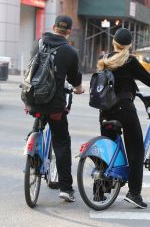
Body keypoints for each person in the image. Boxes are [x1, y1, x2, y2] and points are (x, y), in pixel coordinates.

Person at [30, 15, 84, 202]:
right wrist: (79, 89)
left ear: (53, 27)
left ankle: (32, 151)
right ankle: (66, 188)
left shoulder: (38, 43)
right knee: (61, 142)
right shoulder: (70, 51)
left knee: (37, 123)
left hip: (33, 100)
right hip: (54, 105)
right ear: (69, 31)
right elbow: (75, 79)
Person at [97, 28, 150, 209]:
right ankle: (134, 194)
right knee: (136, 150)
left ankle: (100, 190)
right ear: (129, 45)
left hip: (105, 112)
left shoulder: (104, 60)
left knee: (106, 149)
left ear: (114, 42)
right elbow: (147, 79)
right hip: (124, 110)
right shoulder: (129, 60)